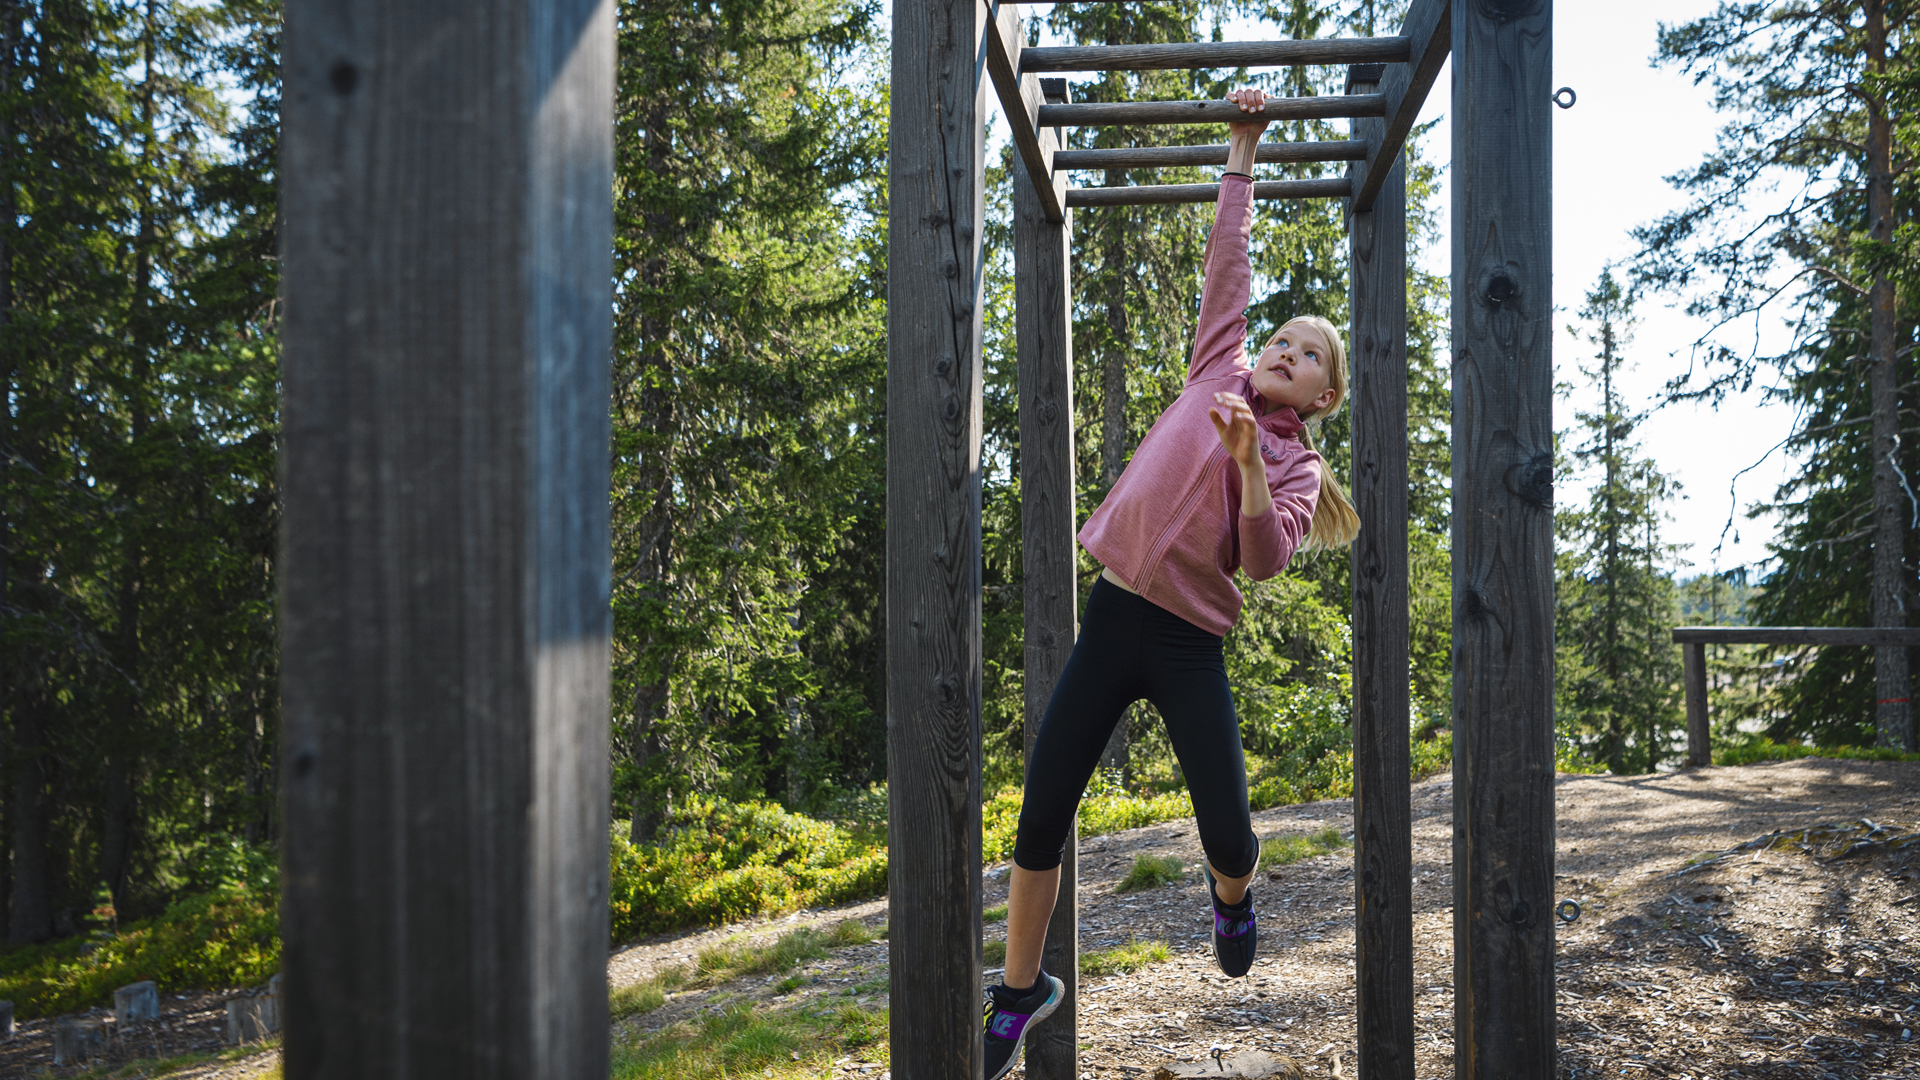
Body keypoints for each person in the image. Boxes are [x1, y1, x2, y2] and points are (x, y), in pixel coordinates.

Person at [982, 86, 1361, 1080]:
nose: (1283, 349)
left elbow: (1270, 557)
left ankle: (1231, 899)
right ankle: (1021, 990)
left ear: (1322, 397)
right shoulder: (1213, 371)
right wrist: (1242, 151)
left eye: (1307, 353)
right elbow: (1227, 267)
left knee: (1231, 835)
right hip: (1113, 620)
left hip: (1190, 644)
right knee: (1040, 812)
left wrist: (1245, 462)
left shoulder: (1293, 463)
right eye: (1281, 338)